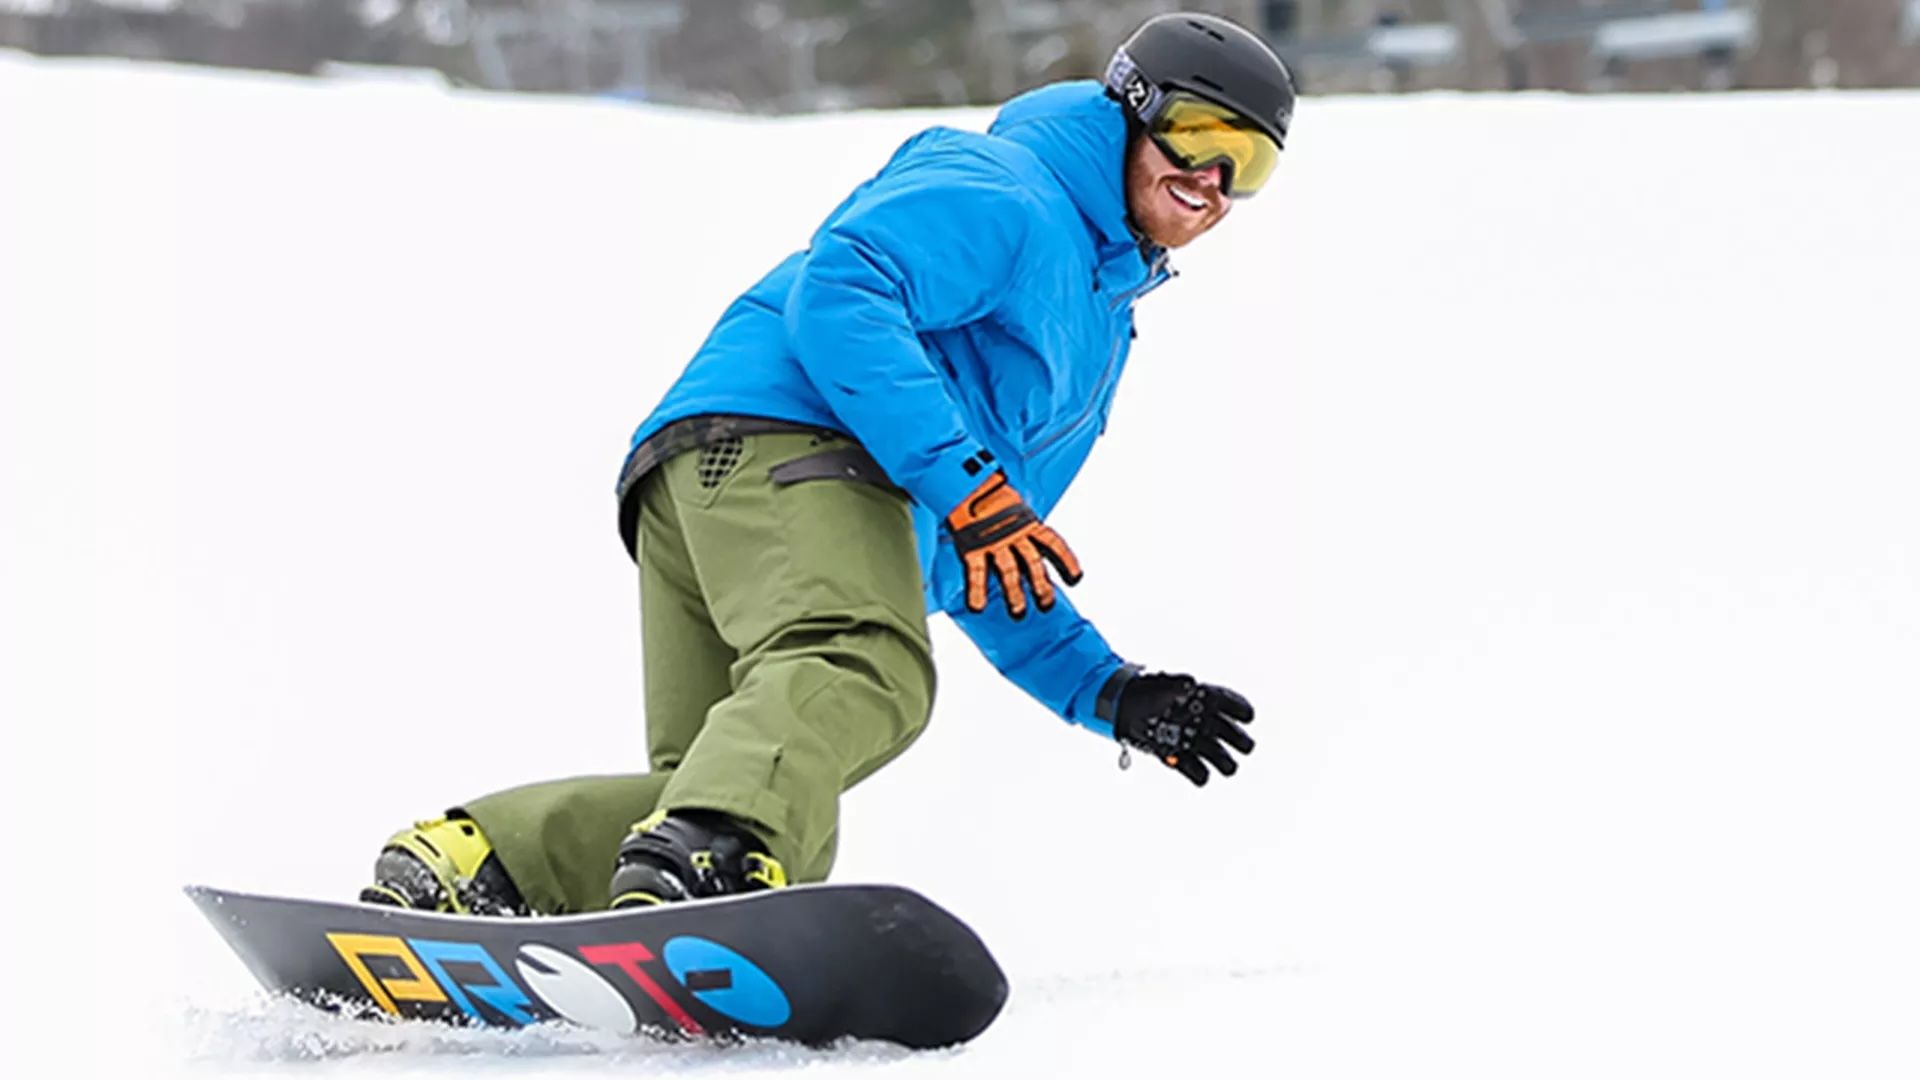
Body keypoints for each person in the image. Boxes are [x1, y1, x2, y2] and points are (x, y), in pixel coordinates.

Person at [358, 12, 1294, 917]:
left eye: (1245, 164)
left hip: (706, 482)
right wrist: (968, 489)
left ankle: (485, 867)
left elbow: (981, 545)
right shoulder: (1015, 192)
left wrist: (1106, 688)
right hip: (795, 444)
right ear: (1130, 109)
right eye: (1195, 136)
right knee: (865, 666)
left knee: (758, 813)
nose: (1211, 179)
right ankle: (683, 855)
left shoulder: (1092, 299)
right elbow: (845, 287)